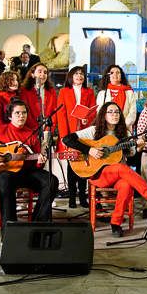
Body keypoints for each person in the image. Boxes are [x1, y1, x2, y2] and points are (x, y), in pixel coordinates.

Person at [62, 102, 147, 237]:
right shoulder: (93, 130)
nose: (114, 114)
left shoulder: (125, 133)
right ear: (103, 114)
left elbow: (131, 155)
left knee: (126, 185)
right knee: (121, 168)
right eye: (110, 112)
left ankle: (116, 223)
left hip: (119, 176)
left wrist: (138, 147)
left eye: (117, 112)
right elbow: (67, 139)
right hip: (98, 175)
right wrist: (89, 150)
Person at [0, 98, 57, 231]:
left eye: (24, 113)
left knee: (51, 180)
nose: (21, 116)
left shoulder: (32, 134)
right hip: (6, 172)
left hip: (26, 172)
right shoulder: (0, 131)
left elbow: (36, 163)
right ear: (10, 116)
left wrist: (39, 162)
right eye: (17, 113)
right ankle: (10, 229)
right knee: (5, 180)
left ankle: (38, 225)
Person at [57, 65, 96, 209]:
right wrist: (63, 136)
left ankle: (83, 197)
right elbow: (61, 115)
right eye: (76, 74)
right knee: (71, 165)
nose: (79, 76)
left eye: (81, 74)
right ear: (71, 77)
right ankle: (72, 197)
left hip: (84, 133)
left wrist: (88, 119)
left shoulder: (89, 91)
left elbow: (92, 111)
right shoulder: (64, 92)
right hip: (70, 133)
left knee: (85, 164)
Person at [95, 64, 136, 131]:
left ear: (121, 76)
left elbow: (132, 112)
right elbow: (99, 111)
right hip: (106, 129)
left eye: (118, 72)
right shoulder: (102, 93)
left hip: (125, 128)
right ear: (108, 76)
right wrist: (108, 126)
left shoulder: (129, 92)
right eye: (112, 73)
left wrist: (123, 125)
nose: (115, 74)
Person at [21, 62, 58, 133]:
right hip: (30, 130)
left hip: (48, 129)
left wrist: (48, 129)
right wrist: (35, 129)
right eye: (39, 71)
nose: (43, 74)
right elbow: (25, 111)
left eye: (45, 72)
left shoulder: (51, 91)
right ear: (32, 74)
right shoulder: (24, 90)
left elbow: (54, 111)